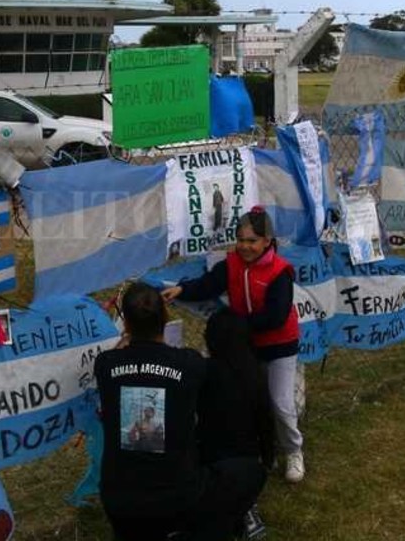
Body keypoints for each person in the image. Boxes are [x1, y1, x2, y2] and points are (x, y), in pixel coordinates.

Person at [96, 283, 265, 541]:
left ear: (126, 324)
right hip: (178, 498)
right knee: (251, 471)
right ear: (164, 319)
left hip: (119, 501)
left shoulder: (106, 365)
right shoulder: (190, 363)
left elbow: (116, 362)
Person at [162, 206, 306, 483]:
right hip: (246, 347)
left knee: (280, 403)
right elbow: (208, 284)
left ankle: (294, 450)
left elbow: (276, 317)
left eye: (252, 241)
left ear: (267, 242)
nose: (244, 246)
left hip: (279, 346)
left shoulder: (280, 272)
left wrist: (236, 325)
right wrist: (182, 289)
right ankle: (263, 450)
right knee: (247, 400)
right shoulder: (230, 264)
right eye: (240, 239)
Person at [200, 310, 274, 538]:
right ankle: (246, 508)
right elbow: (266, 422)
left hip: (209, 461)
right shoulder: (256, 374)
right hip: (249, 463)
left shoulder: (206, 372)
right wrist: (268, 458)